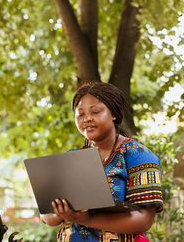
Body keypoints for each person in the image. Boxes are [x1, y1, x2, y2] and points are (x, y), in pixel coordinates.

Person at [40, 81, 163, 242]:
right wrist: (60, 213)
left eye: (95, 112)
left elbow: (144, 220)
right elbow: (46, 217)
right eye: (80, 114)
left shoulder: (138, 155)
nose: (87, 119)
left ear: (113, 114)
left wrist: (86, 219)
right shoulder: (71, 159)